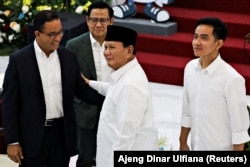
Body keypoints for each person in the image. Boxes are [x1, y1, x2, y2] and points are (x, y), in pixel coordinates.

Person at [1, 10, 103, 167]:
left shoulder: (68, 56)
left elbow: (81, 90)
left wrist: (111, 98)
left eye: (60, 32)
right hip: (31, 136)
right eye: (52, 34)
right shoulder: (19, 60)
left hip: (61, 135)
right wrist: (12, 141)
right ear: (37, 34)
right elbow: (9, 104)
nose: (58, 38)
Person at [83, 25, 158, 167]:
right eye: (105, 48)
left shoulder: (130, 85)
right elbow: (112, 90)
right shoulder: (125, 75)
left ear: (129, 51)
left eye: (111, 48)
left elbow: (125, 136)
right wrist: (90, 83)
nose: (106, 53)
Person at [179, 17, 250, 151]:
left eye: (204, 38)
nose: (197, 42)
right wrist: (182, 142)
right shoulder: (189, 68)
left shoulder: (231, 79)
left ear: (218, 44)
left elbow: (239, 129)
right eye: (195, 37)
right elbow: (186, 111)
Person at [65, 2, 114, 167]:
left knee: (111, 156)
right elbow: (70, 83)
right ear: (87, 21)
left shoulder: (120, 44)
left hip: (114, 107)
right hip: (86, 109)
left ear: (111, 21)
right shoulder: (74, 45)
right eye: (94, 20)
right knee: (85, 159)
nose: (98, 25)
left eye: (103, 20)